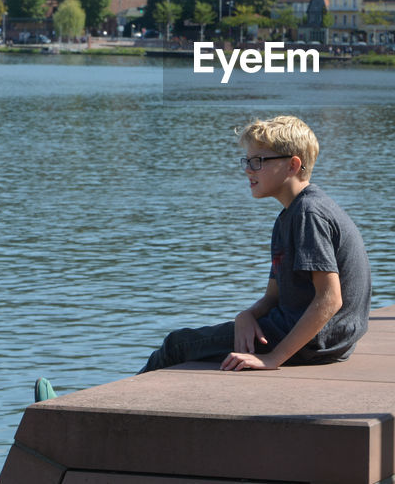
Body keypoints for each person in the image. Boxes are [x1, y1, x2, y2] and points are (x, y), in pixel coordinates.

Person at [35, 115, 371, 401]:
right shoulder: (288, 216)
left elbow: (330, 298)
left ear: (293, 164)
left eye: (258, 161)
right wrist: (247, 314)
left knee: (178, 346)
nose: (248, 170)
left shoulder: (309, 214)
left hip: (315, 340)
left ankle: (87, 410)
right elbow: (275, 294)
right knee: (192, 348)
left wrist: (273, 359)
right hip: (310, 334)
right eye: (246, 161)